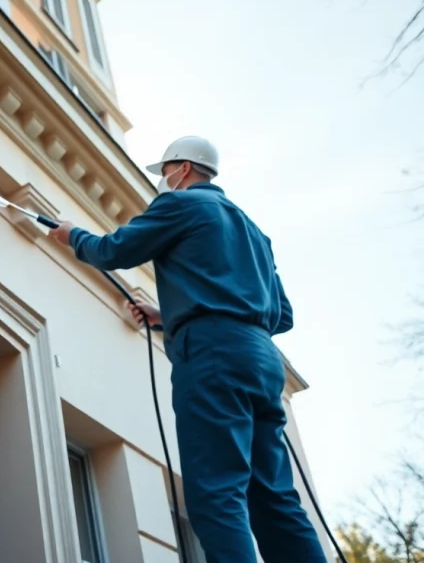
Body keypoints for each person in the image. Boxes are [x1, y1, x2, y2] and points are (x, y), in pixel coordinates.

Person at [47, 136, 327, 563]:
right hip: (262, 360)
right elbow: (282, 316)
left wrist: (73, 236)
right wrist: (171, 313)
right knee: (274, 497)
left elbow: (115, 250)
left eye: (164, 171)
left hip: (213, 356)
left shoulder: (182, 205)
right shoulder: (254, 232)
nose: (163, 180)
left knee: (217, 492)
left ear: (183, 168)